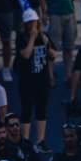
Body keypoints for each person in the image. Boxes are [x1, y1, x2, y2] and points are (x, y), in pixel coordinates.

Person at [13, 9, 55, 149]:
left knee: (41, 110)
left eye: (34, 22)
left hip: (41, 79)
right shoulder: (21, 37)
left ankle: (40, 140)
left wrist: (45, 42)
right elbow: (25, 54)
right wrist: (32, 38)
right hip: (26, 80)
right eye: (29, 23)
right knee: (26, 109)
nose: (32, 25)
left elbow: (53, 54)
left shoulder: (44, 36)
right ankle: (25, 140)